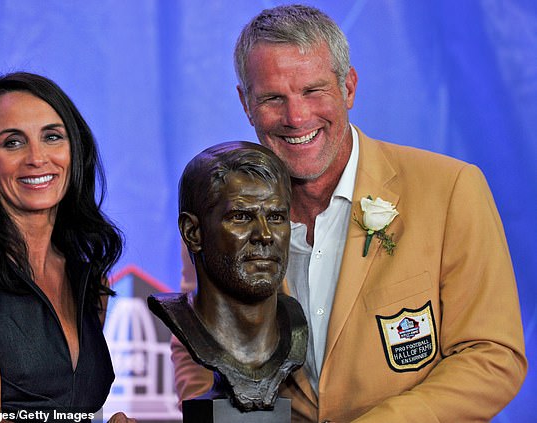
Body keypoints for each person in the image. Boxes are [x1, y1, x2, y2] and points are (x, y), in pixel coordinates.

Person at [172, 5, 528, 422]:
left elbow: (492, 354)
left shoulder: (450, 190)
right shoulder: (221, 213)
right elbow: (198, 342)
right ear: (245, 103)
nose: (296, 117)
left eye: (313, 90)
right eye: (273, 98)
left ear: (349, 88)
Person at [0, 72, 135, 423]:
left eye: (52, 137)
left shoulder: (87, 275)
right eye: (13, 142)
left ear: (73, 150)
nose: (37, 158)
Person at [149, 141, 308, 412]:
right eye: (241, 217)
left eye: (277, 217)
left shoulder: (294, 327)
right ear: (193, 233)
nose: (265, 235)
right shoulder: (185, 320)